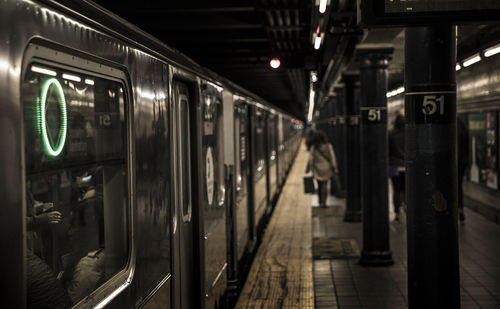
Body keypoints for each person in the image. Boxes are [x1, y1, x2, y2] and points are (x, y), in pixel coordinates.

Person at [306, 130, 339, 208]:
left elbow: (311, 158)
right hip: (327, 167)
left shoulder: (314, 147)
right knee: (325, 184)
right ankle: (324, 202)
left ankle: (320, 201)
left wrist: (309, 168)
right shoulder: (328, 146)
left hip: (317, 168)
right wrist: (335, 167)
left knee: (319, 184)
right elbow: (332, 157)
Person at [388, 114, 405, 221]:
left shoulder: (391, 134)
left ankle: (397, 212)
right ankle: (406, 206)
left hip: (394, 166)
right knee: (406, 189)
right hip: (407, 166)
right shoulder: (409, 133)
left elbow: (388, 150)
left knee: (396, 190)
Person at [457, 116, 469, 222]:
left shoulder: (450, 129)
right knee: (458, 186)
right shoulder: (464, 129)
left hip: (453, 162)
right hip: (462, 162)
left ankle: (451, 209)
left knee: (449, 185)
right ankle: (460, 209)